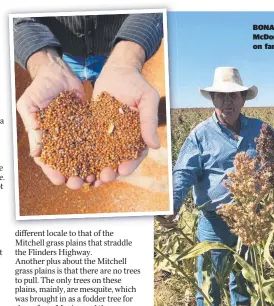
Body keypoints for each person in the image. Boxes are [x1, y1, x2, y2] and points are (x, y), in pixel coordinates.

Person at [157, 67, 274, 306]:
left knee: (244, 280)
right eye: (220, 96)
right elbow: (183, 173)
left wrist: (273, 178)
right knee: (209, 283)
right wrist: (171, 204)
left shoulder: (260, 129)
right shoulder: (200, 134)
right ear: (213, 99)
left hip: (250, 219)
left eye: (233, 95)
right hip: (215, 222)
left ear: (243, 98)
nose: (227, 102)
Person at [14, 14, 163, 189]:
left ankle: (121, 157)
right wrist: (44, 62)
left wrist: (127, 58)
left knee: (113, 100)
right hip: (59, 55)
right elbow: (14, 14)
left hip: (115, 52)